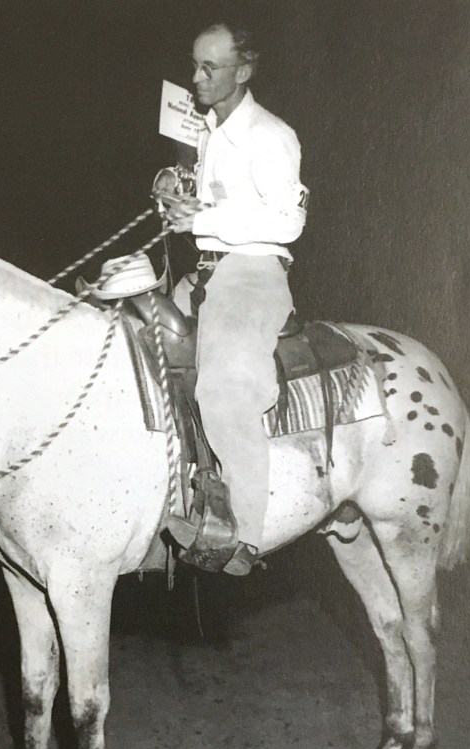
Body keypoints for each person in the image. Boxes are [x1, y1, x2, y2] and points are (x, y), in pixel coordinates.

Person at [156, 20, 308, 575]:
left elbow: (288, 221)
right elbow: (211, 200)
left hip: (252, 274)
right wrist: (176, 193)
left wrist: (205, 219)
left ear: (242, 72)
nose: (196, 78)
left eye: (209, 67)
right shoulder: (209, 131)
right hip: (205, 273)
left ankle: (242, 536)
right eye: (194, 65)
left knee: (223, 391)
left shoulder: (270, 135)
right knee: (137, 340)